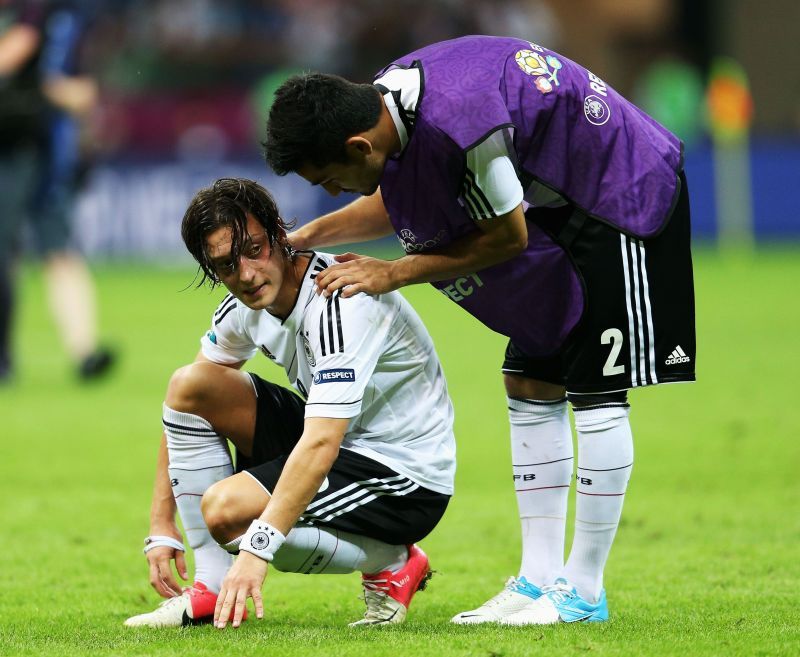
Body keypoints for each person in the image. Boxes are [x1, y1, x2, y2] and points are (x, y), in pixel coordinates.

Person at [263, 35, 695, 625]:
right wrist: (306, 237)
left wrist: (393, 272)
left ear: (359, 144)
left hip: (618, 196)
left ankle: (583, 592)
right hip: (555, 207)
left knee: (596, 391)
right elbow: (404, 199)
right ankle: (538, 581)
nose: (331, 190)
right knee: (529, 381)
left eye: (329, 178)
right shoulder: (394, 107)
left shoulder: (461, 126)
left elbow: (505, 237)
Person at [124, 178, 455, 629]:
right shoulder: (243, 305)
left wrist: (257, 550)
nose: (245, 274)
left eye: (254, 249)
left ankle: (393, 561)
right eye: (225, 265)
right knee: (191, 384)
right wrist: (161, 523)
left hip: (405, 474)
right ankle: (209, 590)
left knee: (228, 513)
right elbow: (185, 405)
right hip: (342, 440)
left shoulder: (339, 300)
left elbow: (321, 444)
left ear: (279, 234)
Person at [0, 0, 114, 383]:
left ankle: (81, 352)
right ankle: (76, 351)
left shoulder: (37, 14)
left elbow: (17, 54)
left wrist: (46, 89)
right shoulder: (63, 18)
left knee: (43, 252)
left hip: (33, 153)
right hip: (38, 152)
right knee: (44, 253)